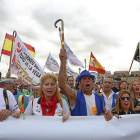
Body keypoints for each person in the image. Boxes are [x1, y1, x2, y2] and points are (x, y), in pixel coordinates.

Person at [58, 49, 113, 121]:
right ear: (79, 84)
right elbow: (62, 85)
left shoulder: (99, 97)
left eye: (90, 79)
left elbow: (105, 113)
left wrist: (110, 114)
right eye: (84, 79)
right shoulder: (75, 95)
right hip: (80, 131)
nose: (87, 80)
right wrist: (63, 62)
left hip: (97, 131)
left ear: (93, 83)